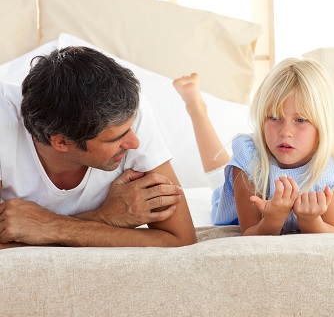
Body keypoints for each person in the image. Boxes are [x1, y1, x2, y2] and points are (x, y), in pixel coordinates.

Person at [0, 46, 196, 250]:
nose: (134, 143)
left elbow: (180, 241)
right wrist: (103, 217)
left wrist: (55, 227)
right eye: (116, 139)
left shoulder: (125, 113)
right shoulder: (3, 124)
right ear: (61, 142)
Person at [173, 58, 334, 235]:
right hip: (258, 170)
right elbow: (249, 232)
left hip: (323, 152)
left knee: (327, 149)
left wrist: (310, 220)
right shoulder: (248, 158)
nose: (285, 131)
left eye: (300, 120)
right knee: (218, 172)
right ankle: (195, 106)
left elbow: (332, 230)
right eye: (274, 118)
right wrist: (273, 218)